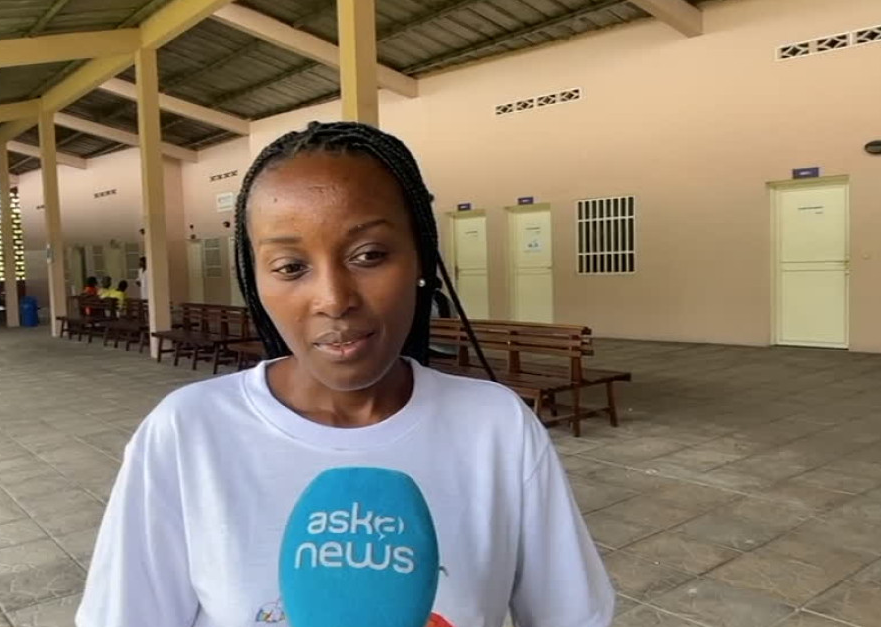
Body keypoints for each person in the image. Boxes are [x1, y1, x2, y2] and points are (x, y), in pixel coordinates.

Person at [77, 122, 613, 627]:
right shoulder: (189, 432)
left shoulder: (496, 426)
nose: (334, 300)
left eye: (369, 255)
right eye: (291, 267)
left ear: (421, 259)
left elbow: (571, 615)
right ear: (255, 279)